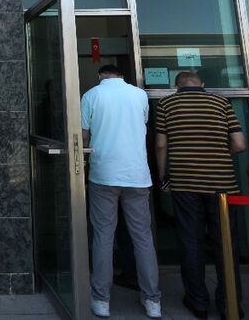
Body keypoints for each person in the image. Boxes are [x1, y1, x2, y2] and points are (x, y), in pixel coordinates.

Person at [154, 71, 246, 319]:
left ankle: (198, 302)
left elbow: (161, 144)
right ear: (202, 84)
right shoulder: (220, 103)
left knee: (190, 242)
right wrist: (218, 155)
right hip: (222, 186)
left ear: (177, 86)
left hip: (185, 184)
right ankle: (230, 304)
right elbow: (239, 144)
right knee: (226, 244)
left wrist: (164, 176)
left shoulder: (167, 104)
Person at [81, 64, 161, 319]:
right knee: (143, 238)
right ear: (122, 75)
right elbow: (143, 124)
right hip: (137, 174)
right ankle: (152, 301)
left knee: (104, 236)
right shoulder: (139, 95)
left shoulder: (92, 95)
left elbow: (83, 135)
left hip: (104, 173)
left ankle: (101, 300)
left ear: (100, 76)